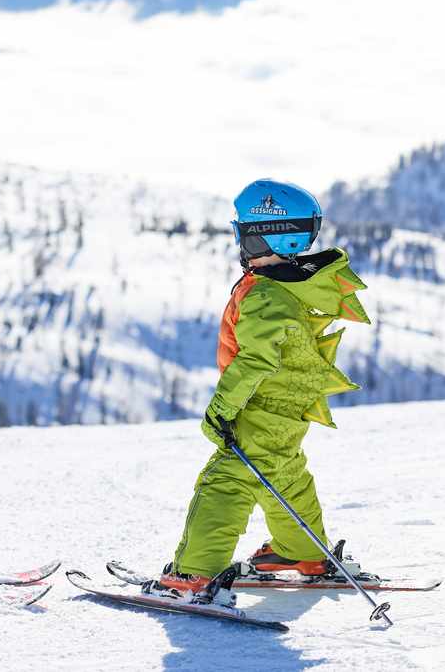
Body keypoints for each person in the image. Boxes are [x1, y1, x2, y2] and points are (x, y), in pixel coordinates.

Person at [144, 179, 372, 606]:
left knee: (227, 482)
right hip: (285, 407)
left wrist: (221, 408)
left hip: (262, 406)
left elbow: (255, 361)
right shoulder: (283, 285)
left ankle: (194, 575)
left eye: (243, 233)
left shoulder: (266, 295)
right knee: (282, 478)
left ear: (262, 235)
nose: (239, 242)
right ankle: (303, 553)